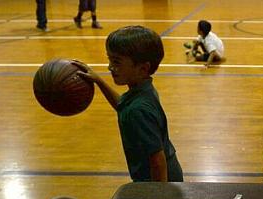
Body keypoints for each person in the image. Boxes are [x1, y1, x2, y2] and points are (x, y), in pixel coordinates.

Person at [73, 26, 183, 182]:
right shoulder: (143, 91)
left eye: (116, 61)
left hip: (158, 182)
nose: (110, 67)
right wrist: (98, 80)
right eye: (109, 59)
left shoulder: (138, 110)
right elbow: (122, 105)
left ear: (143, 68)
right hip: (163, 177)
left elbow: (158, 161)